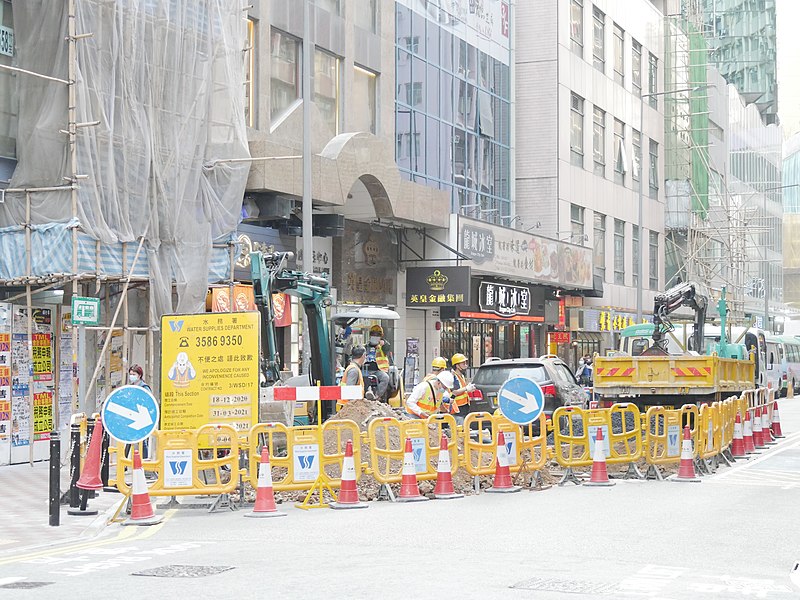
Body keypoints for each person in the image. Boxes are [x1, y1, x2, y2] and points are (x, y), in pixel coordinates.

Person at [365, 324, 393, 401]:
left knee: (385, 378)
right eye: (373, 334)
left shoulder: (383, 345)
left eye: (377, 335)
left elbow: (387, 347)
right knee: (363, 378)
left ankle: (377, 395)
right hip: (366, 370)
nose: (375, 336)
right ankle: (368, 392)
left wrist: (382, 344)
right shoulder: (366, 346)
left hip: (379, 370)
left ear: (381, 336)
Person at [338, 346, 368, 410]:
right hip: (348, 407)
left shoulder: (353, 368)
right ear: (363, 355)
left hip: (348, 406)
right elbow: (350, 392)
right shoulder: (354, 370)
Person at [450, 353, 476, 423]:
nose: (466, 365)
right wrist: (466, 389)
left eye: (465, 363)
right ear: (457, 365)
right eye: (463, 364)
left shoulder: (461, 376)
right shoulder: (453, 376)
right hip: (457, 408)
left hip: (464, 407)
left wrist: (469, 389)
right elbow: (454, 392)